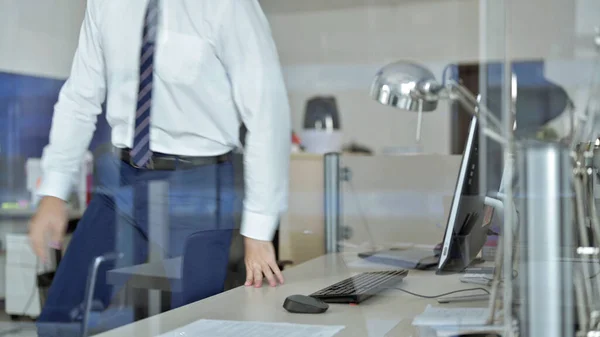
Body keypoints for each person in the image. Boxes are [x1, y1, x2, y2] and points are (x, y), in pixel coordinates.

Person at [28, 0, 290, 334]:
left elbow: (267, 112)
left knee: (192, 327)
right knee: (59, 320)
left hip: (200, 184)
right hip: (123, 178)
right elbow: (80, 97)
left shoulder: (228, 6)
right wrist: (54, 191)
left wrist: (257, 231)